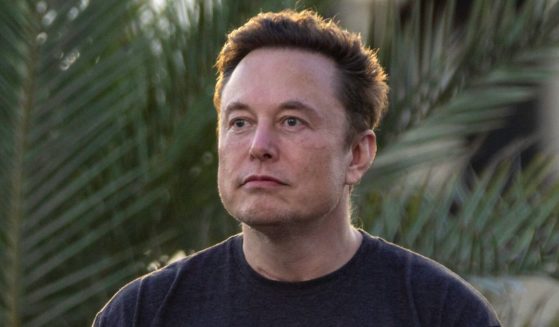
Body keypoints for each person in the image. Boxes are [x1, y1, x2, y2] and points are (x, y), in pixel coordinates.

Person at [94, 9, 501, 326]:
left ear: (357, 155)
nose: (259, 147)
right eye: (240, 122)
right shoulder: (144, 314)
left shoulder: (440, 312)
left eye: (292, 121)